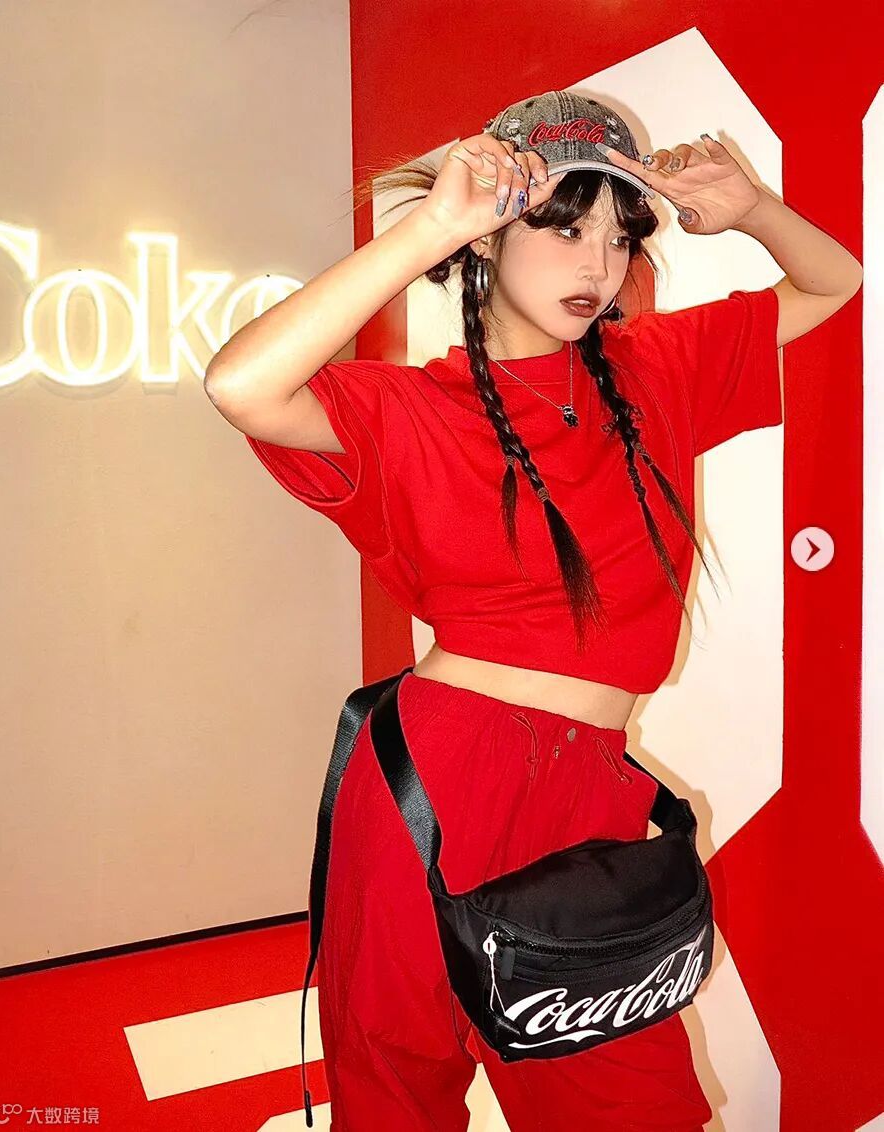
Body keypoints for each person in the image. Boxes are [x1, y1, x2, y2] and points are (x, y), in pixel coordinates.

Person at [204, 90, 861, 1131]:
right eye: (562, 227)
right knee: (399, 1085)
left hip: (591, 783)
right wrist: (431, 225)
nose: (597, 263)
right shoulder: (414, 406)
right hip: (440, 780)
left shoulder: (656, 372)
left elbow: (834, 281)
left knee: (633, 1104)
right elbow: (241, 383)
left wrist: (753, 210)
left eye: (617, 234)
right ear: (489, 235)